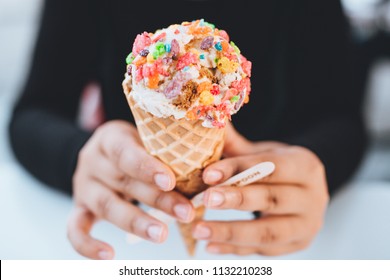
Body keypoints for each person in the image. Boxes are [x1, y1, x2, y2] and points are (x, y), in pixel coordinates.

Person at [8, 0, 367, 259]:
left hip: (275, 235)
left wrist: (315, 164)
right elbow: (33, 113)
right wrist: (79, 157)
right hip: (132, 227)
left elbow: (341, 118)